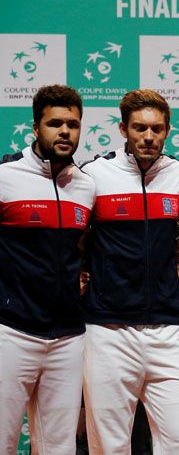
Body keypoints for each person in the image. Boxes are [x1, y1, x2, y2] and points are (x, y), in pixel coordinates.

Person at [81, 89, 179, 454]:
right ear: (123, 129)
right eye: (139, 128)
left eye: (157, 129)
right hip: (108, 331)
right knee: (109, 446)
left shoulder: (178, 174)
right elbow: (76, 238)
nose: (148, 137)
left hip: (165, 329)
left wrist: (172, 260)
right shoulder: (94, 175)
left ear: (167, 131)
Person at [0, 85, 95, 454]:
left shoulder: (86, 186)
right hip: (12, 331)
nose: (65, 131)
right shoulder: (6, 177)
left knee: (59, 447)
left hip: (68, 338)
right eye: (55, 123)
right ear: (36, 127)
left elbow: (89, 249)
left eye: (73, 123)